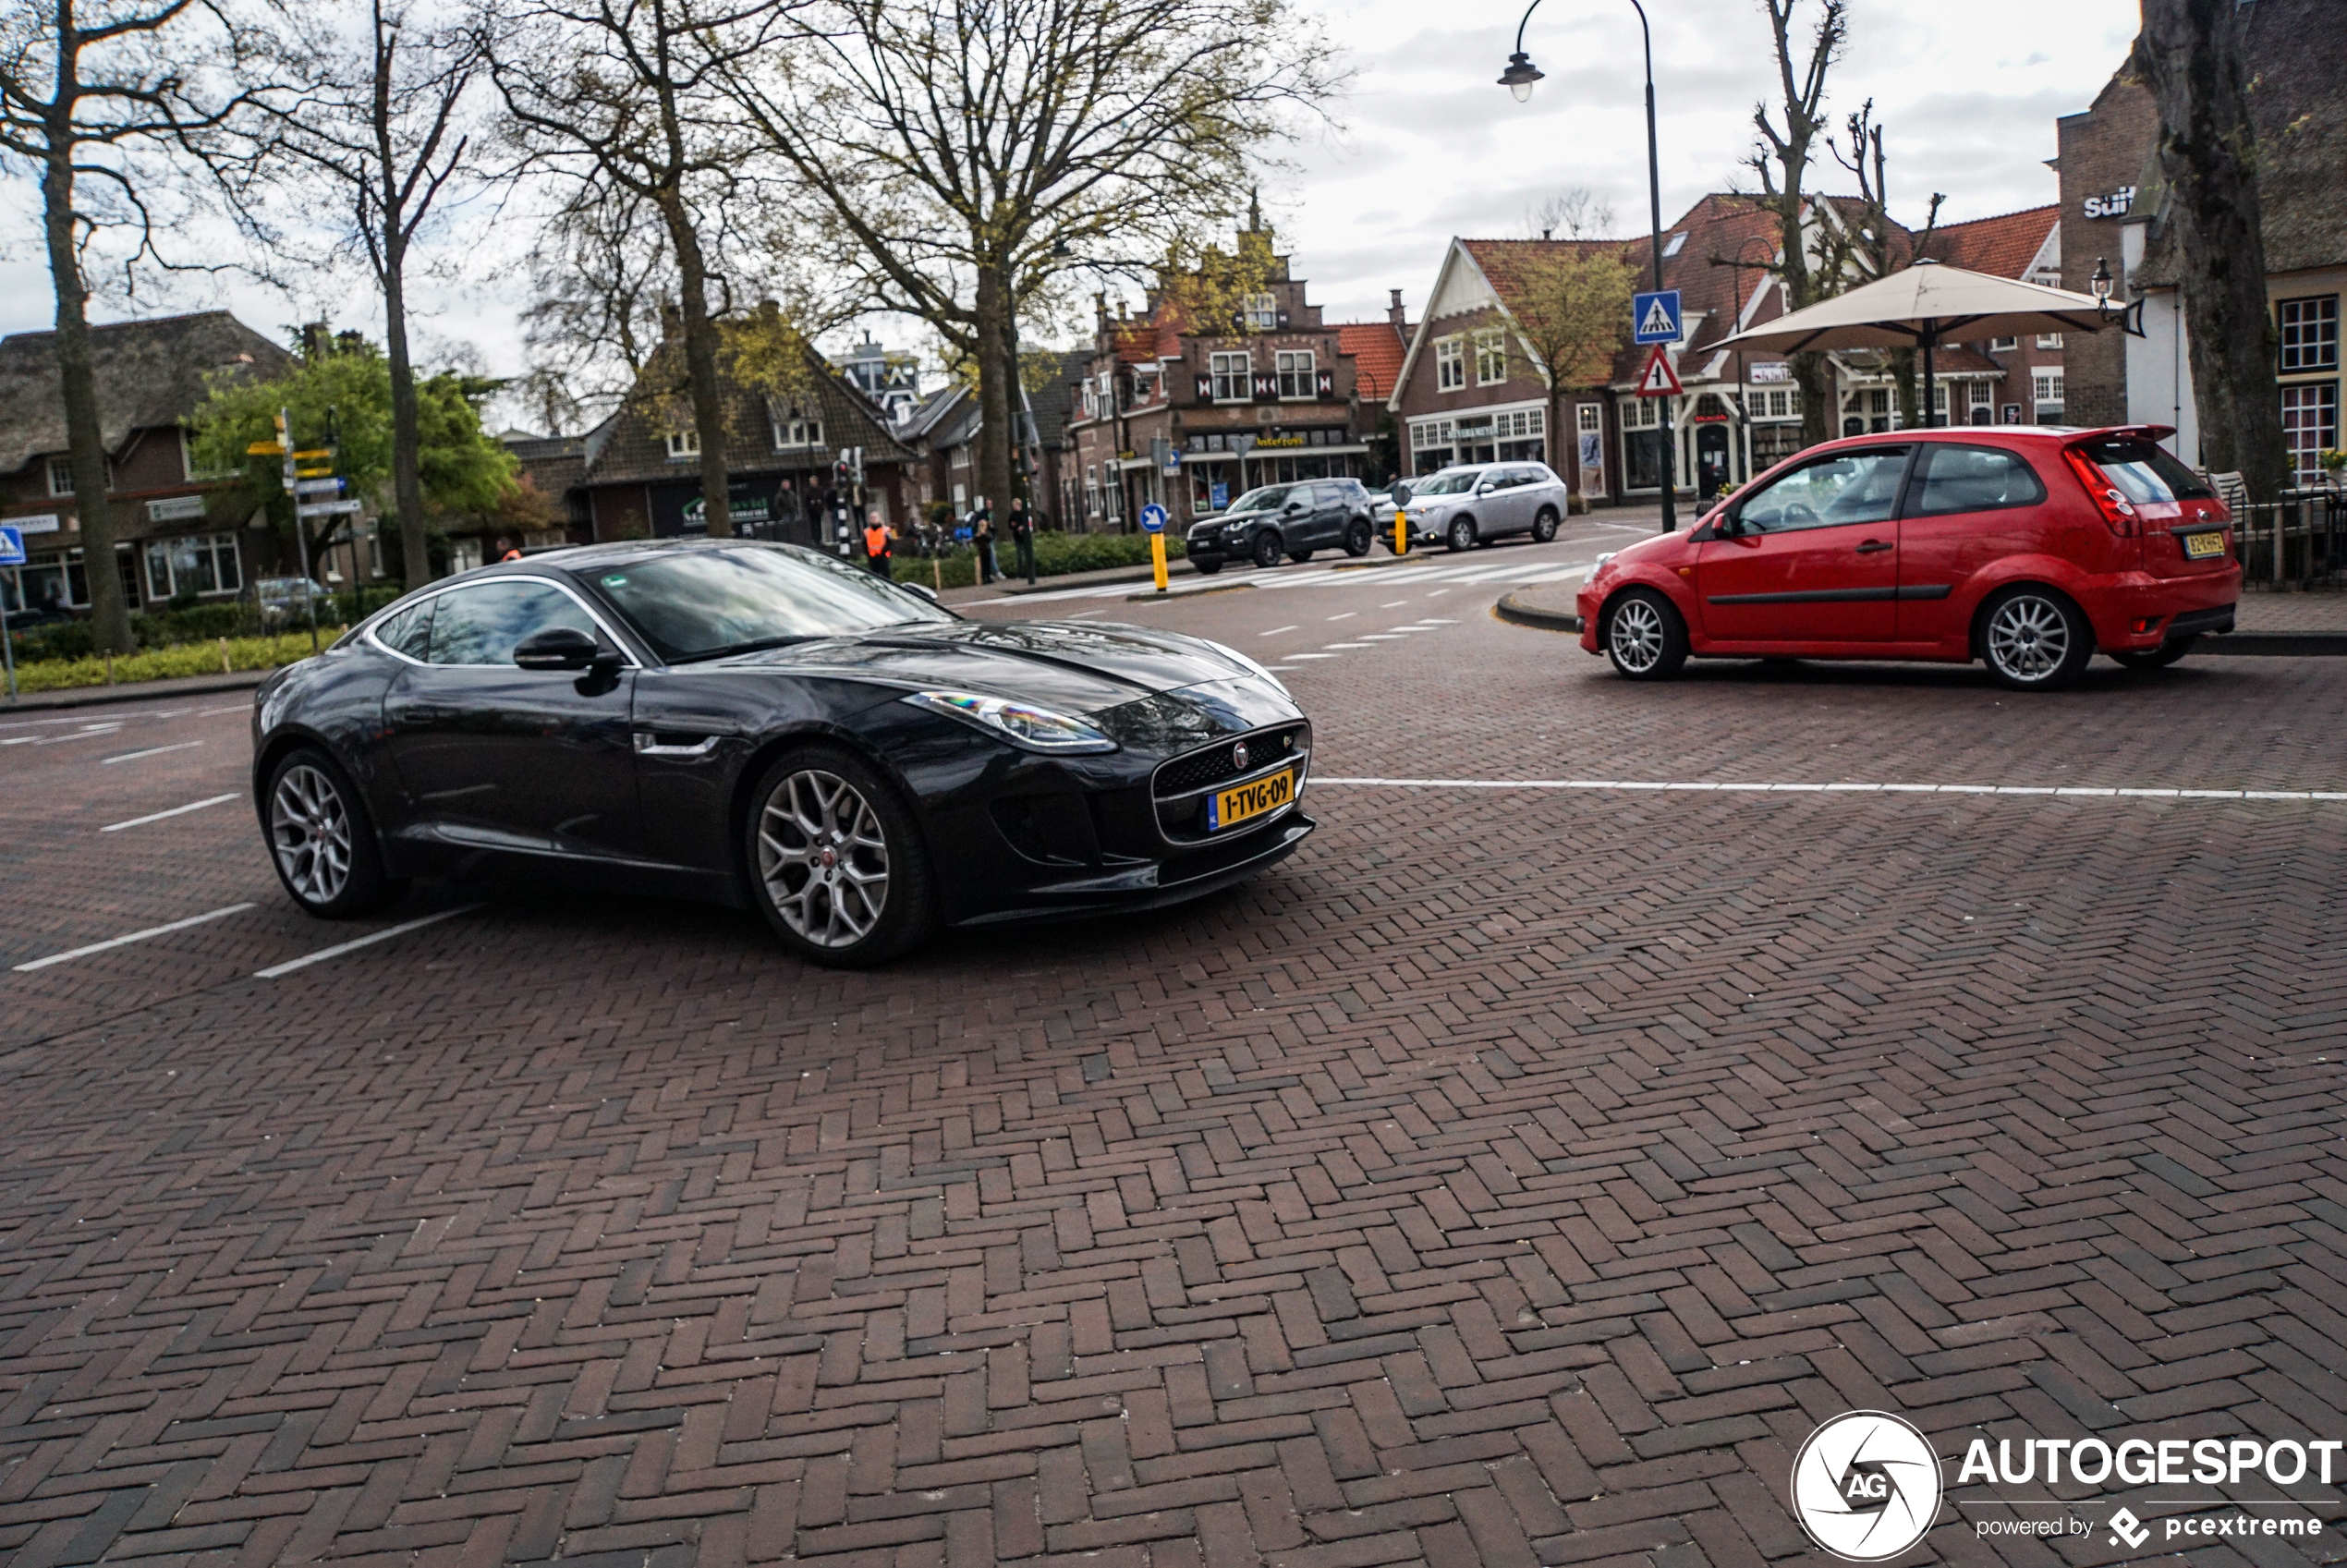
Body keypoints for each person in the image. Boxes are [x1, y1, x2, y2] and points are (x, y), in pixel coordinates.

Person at [1009, 499, 1037, 585]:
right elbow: (1010, 525)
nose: (1014, 507)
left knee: (1027, 555)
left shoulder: (1024, 514)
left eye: (1016, 505)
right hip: (1017, 537)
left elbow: (1028, 524)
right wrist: (1014, 525)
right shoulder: (1012, 515)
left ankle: (1028, 572)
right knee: (1019, 556)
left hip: (1025, 538)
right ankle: (1020, 573)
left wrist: (1022, 526)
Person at [862, 511, 894, 578]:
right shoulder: (867, 531)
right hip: (872, 557)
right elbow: (864, 544)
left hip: (883, 556)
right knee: (874, 577)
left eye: (874, 517)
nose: (873, 519)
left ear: (879, 518)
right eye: (871, 518)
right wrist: (868, 554)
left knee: (886, 576)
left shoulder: (885, 530)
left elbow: (890, 543)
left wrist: (885, 552)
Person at [973, 502, 998, 585]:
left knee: (987, 564)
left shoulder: (984, 534)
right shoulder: (980, 535)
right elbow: (979, 541)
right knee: (984, 565)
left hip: (986, 550)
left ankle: (988, 576)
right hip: (983, 551)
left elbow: (990, 537)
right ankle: (985, 577)